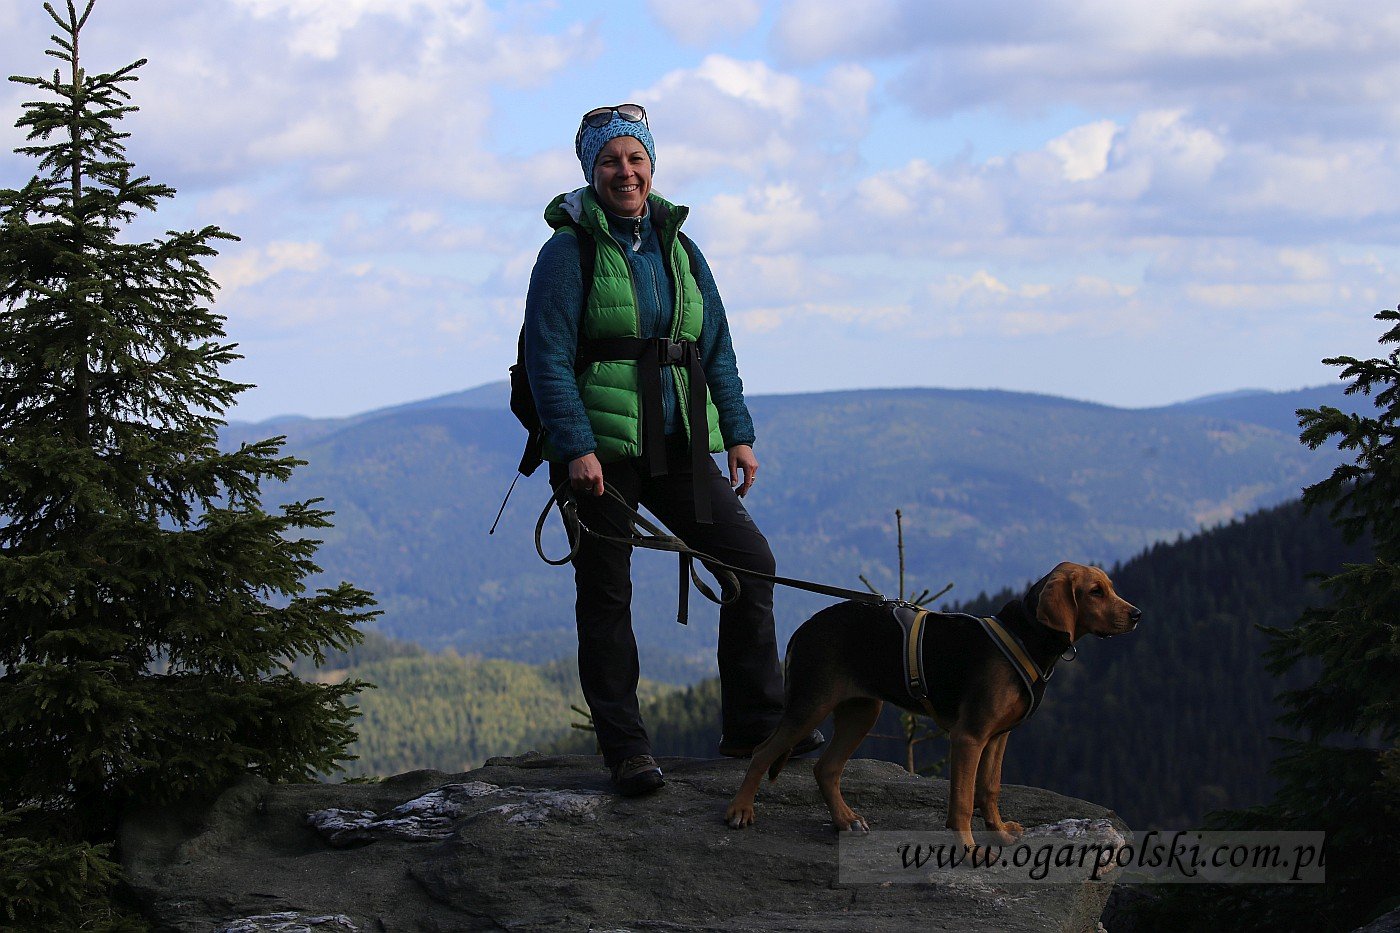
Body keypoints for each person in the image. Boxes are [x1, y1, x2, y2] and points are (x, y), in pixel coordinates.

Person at [523, 103, 823, 796]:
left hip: (677, 440)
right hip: (597, 451)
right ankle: (626, 750)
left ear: (651, 166)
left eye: (634, 159)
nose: (624, 172)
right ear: (591, 172)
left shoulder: (681, 249)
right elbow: (547, 358)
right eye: (610, 161)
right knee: (607, 594)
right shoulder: (568, 253)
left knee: (751, 562)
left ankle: (754, 721)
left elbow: (713, 346)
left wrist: (738, 432)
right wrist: (574, 448)